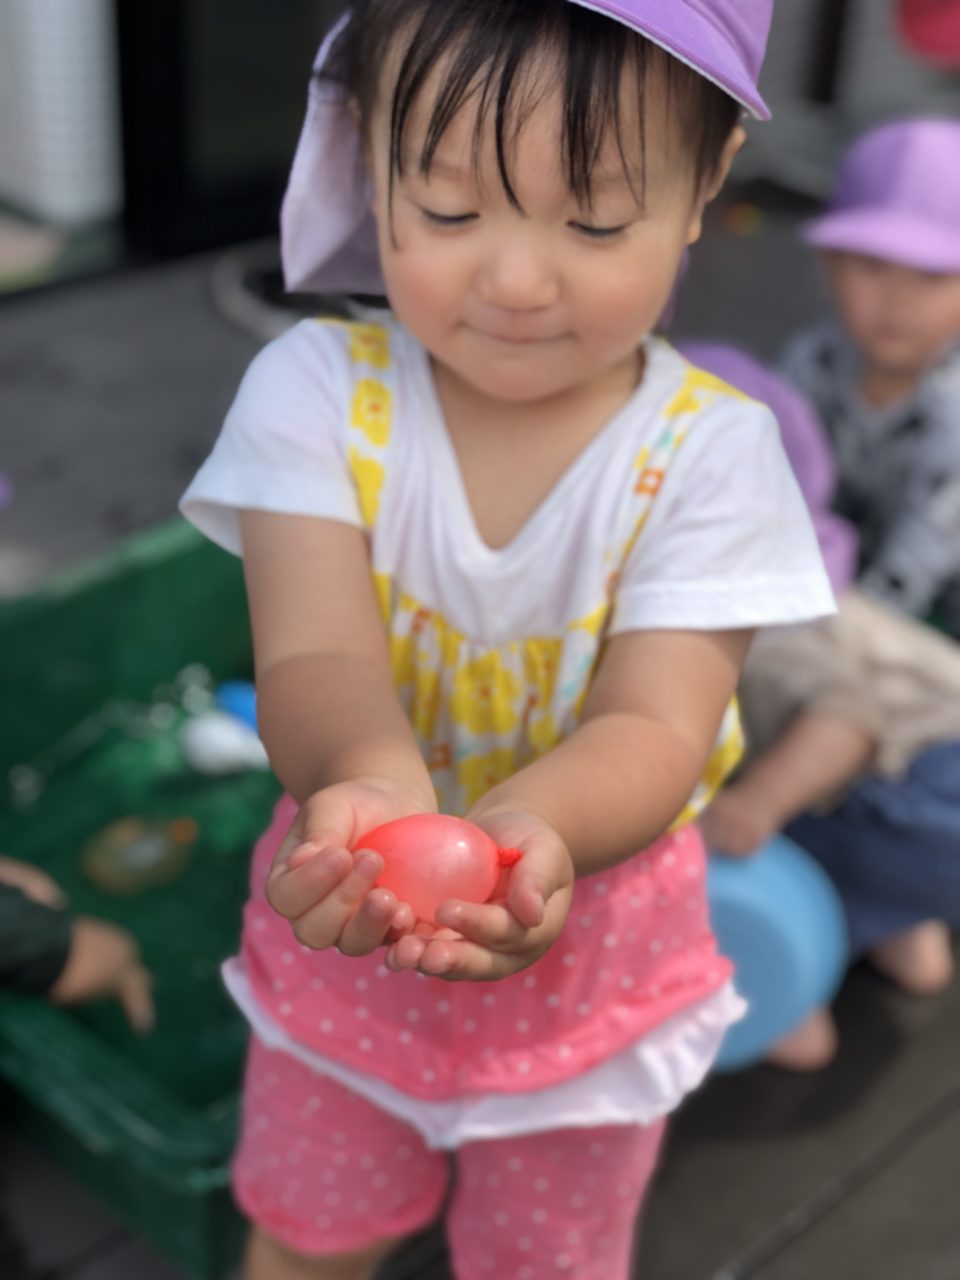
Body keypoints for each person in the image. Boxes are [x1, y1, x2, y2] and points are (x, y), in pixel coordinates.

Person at [181, 3, 834, 1276]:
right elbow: (317, 658)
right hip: (353, 916)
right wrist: (369, 785)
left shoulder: (713, 455)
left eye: (595, 223)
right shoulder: (314, 391)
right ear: (367, 154)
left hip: (591, 951)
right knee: (309, 1236)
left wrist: (533, 836)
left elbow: (654, 719)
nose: (519, 281)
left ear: (705, 180)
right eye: (447, 208)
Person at [685, 347, 960, 1069]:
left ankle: (805, 976)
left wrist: (757, 805)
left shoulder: (757, 621)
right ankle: (901, 923)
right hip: (920, 757)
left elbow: (847, 719)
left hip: (921, 790)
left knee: (742, 829)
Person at [780, 117, 960, 636]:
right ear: (829, 266)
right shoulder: (811, 362)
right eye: (872, 266)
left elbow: (909, 576)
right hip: (829, 587)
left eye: (933, 275)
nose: (898, 300)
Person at [0, 855, 154, 1028]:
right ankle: (128, 980)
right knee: (118, 952)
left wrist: (17, 873)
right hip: (50, 955)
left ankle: (128, 979)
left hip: (41, 935)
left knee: (115, 952)